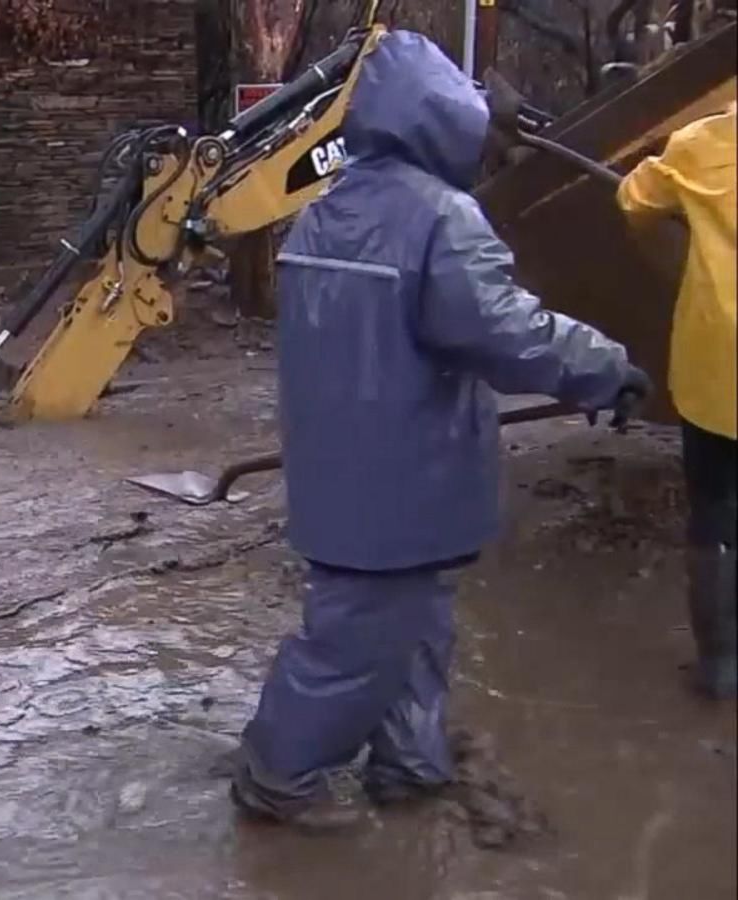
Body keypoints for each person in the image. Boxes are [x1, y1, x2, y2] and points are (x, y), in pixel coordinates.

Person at [228, 30, 651, 831]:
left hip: (346, 476)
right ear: (442, 119)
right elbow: (506, 330)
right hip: (404, 479)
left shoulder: (328, 210)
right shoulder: (442, 220)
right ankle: (277, 778)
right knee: (356, 647)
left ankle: (409, 766)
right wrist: (605, 366)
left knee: (413, 630)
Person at [617, 101, 737, 700]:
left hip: (716, 366)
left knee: (714, 508)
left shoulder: (699, 144)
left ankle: (720, 662)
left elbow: (633, 202)